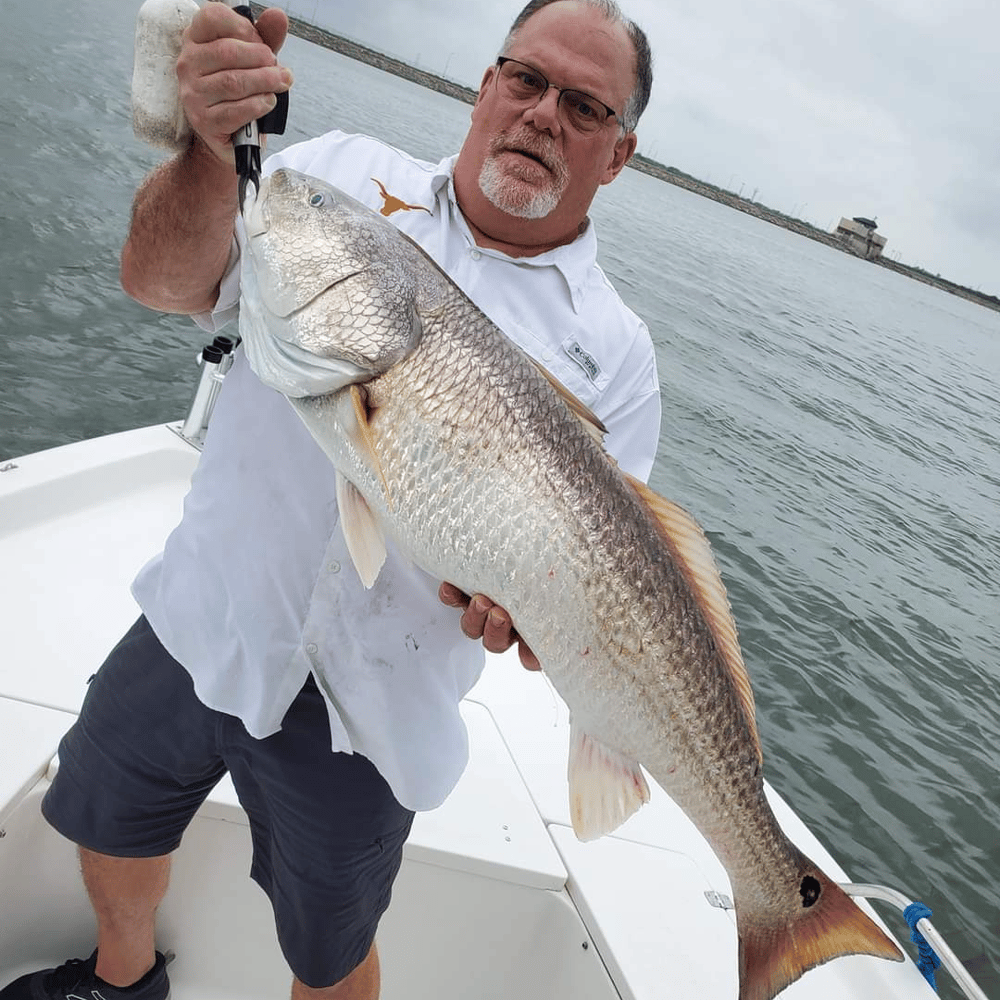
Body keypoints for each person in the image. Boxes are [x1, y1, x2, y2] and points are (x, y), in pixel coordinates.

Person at [0, 2, 659, 999]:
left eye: (584, 104)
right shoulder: (339, 181)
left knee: (330, 946)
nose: (541, 114)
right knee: (102, 813)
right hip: (201, 614)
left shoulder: (616, 354)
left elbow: (599, 564)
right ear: (486, 86)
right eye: (524, 80)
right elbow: (158, 279)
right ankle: (122, 974)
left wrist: (524, 611)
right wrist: (212, 156)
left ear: (617, 153)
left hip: (368, 714)